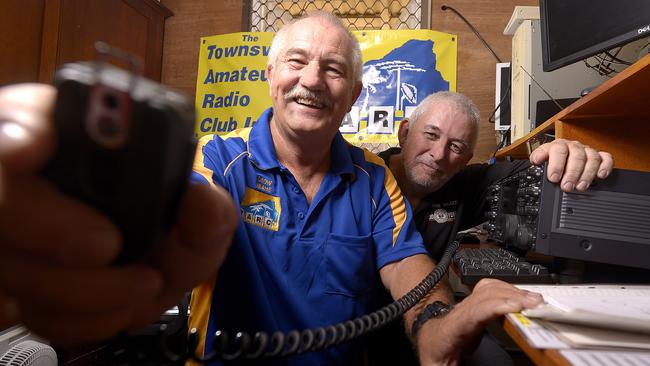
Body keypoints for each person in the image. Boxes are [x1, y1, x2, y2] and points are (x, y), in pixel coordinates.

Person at [0, 11, 544, 365]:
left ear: (354, 95)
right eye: (297, 62)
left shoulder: (376, 180)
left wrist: (442, 327)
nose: (311, 80)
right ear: (270, 75)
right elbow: (190, 209)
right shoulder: (218, 157)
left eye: (332, 70)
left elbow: (408, 271)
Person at [367, 91, 614, 365]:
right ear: (405, 133)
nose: (438, 155)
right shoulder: (364, 178)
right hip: (365, 321)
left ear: (465, 159)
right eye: (431, 135)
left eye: (456, 147)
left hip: (433, 312)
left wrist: (567, 153)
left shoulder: (467, 184)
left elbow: (532, 173)